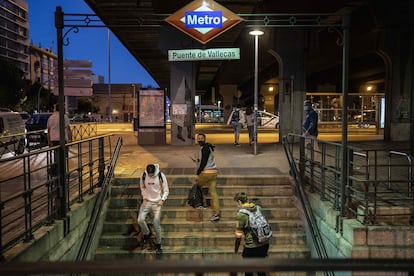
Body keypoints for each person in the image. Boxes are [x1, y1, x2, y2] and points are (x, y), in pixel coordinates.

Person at [234, 192, 269, 276]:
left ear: (239, 202)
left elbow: (238, 234)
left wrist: (236, 248)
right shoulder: (258, 208)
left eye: (236, 203)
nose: (236, 205)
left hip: (251, 246)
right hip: (264, 244)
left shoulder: (241, 215)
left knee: (248, 271)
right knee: (261, 270)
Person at [137, 164, 169, 256]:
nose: (150, 176)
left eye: (152, 175)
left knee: (156, 223)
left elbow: (166, 190)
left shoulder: (161, 176)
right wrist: (144, 196)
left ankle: (159, 245)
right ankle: (147, 233)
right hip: (146, 201)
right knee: (140, 220)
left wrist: (162, 199)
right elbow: (142, 187)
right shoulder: (143, 175)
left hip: (157, 202)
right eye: (149, 175)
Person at [196, 133, 220, 222]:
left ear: (204, 139)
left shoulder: (204, 148)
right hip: (214, 172)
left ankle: (201, 204)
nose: (200, 140)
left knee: (197, 186)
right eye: (198, 138)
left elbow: (204, 161)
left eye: (201, 138)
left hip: (206, 172)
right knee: (213, 193)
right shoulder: (209, 147)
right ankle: (216, 213)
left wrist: (198, 171)